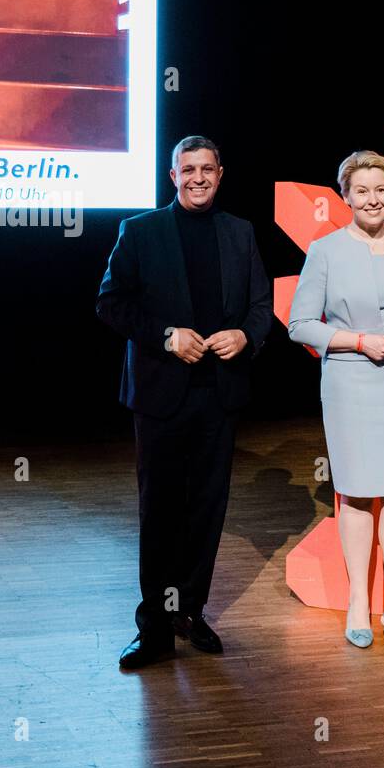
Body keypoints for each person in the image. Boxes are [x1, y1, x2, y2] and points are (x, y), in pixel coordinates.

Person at [96, 135, 273, 669]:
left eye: (207, 169)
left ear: (221, 174)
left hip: (219, 397)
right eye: (187, 169)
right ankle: (153, 627)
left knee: (205, 510)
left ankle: (188, 611)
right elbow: (109, 303)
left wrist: (246, 336)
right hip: (160, 398)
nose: (198, 178)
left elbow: (262, 306)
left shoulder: (239, 233)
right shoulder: (140, 231)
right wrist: (166, 335)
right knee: (160, 511)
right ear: (172, 176)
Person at [287, 150, 384, 661]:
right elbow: (300, 324)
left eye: (381, 189)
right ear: (345, 197)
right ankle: (360, 604)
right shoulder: (327, 250)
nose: (373, 199)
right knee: (356, 494)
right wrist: (358, 341)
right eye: (362, 191)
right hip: (353, 384)